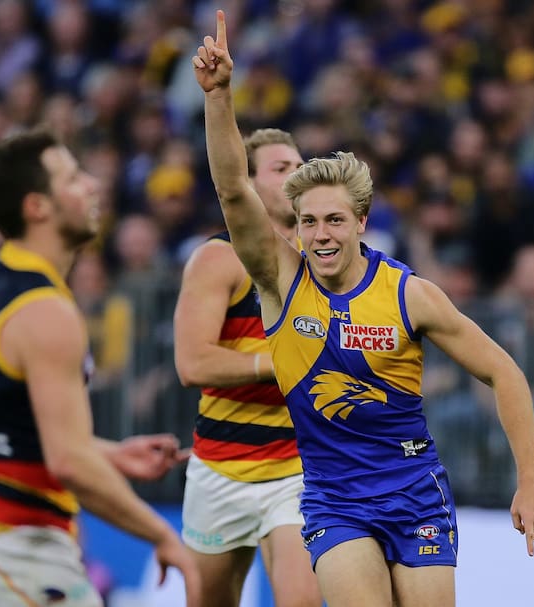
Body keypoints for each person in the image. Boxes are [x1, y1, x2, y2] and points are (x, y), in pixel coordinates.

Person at [192, 11, 534, 607]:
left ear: (362, 222)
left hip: (415, 491)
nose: (321, 235)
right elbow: (233, 190)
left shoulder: (410, 294)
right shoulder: (281, 281)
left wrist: (532, 480)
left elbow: (503, 372)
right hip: (335, 497)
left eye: (335, 220)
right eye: (308, 222)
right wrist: (220, 97)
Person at [0, 130, 201, 607]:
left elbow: (18, 433)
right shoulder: (44, 310)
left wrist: (113, 454)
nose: (93, 185)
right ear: (38, 207)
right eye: (74, 178)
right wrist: (161, 533)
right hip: (12, 540)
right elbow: (67, 461)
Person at [173, 127, 322, 607]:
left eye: (300, 166)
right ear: (249, 184)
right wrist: (278, 364)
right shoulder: (217, 259)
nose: (296, 175)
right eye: (281, 169)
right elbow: (192, 362)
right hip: (221, 467)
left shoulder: (324, 259)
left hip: (299, 466)